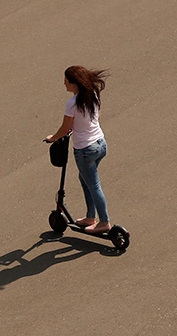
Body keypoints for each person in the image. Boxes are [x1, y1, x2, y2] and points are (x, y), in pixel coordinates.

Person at [45, 66, 112, 234]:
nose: (64, 83)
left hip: (85, 150)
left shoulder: (72, 103)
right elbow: (95, 117)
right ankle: (90, 217)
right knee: (85, 179)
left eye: (66, 80)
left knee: (94, 185)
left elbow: (65, 128)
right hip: (100, 144)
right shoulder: (93, 95)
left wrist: (53, 138)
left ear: (74, 83)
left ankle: (104, 222)